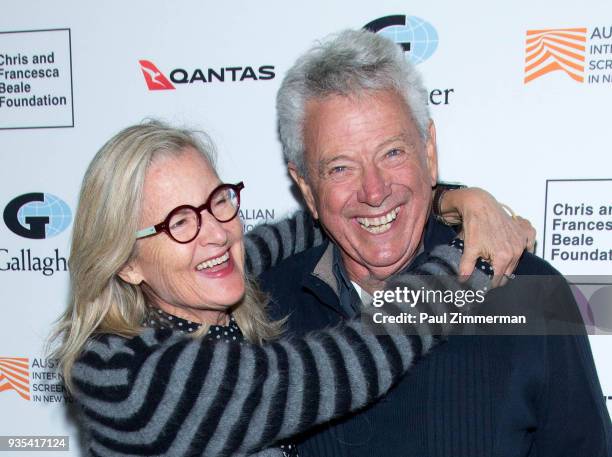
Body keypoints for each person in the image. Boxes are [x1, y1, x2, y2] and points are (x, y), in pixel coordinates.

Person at [51, 121, 535, 457]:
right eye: (179, 221)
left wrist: (453, 198)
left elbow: (330, 219)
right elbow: (354, 361)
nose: (217, 232)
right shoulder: (134, 376)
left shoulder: (203, 287)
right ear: (127, 263)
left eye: (219, 201)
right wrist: (474, 258)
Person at [260, 29, 612, 456]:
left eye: (392, 153)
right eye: (340, 168)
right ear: (306, 187)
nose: (374, 191)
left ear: (429, 152)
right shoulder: (263, 312)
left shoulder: (531, 293)